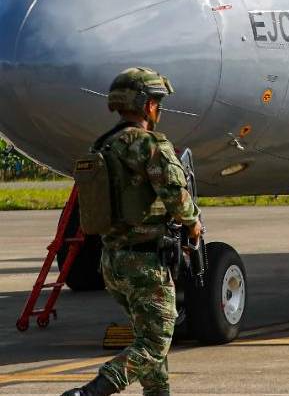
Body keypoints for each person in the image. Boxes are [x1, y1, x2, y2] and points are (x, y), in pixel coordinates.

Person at [63, 68, 201, 396]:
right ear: (147, 106)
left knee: (148, 341)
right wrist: (194, 222)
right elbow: (177, 197)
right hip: (146, 263)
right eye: (157, 102)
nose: (159, 108)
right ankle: (90, 392)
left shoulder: (104, 146)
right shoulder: (149, 145)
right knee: (154, 344)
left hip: (113, 262)